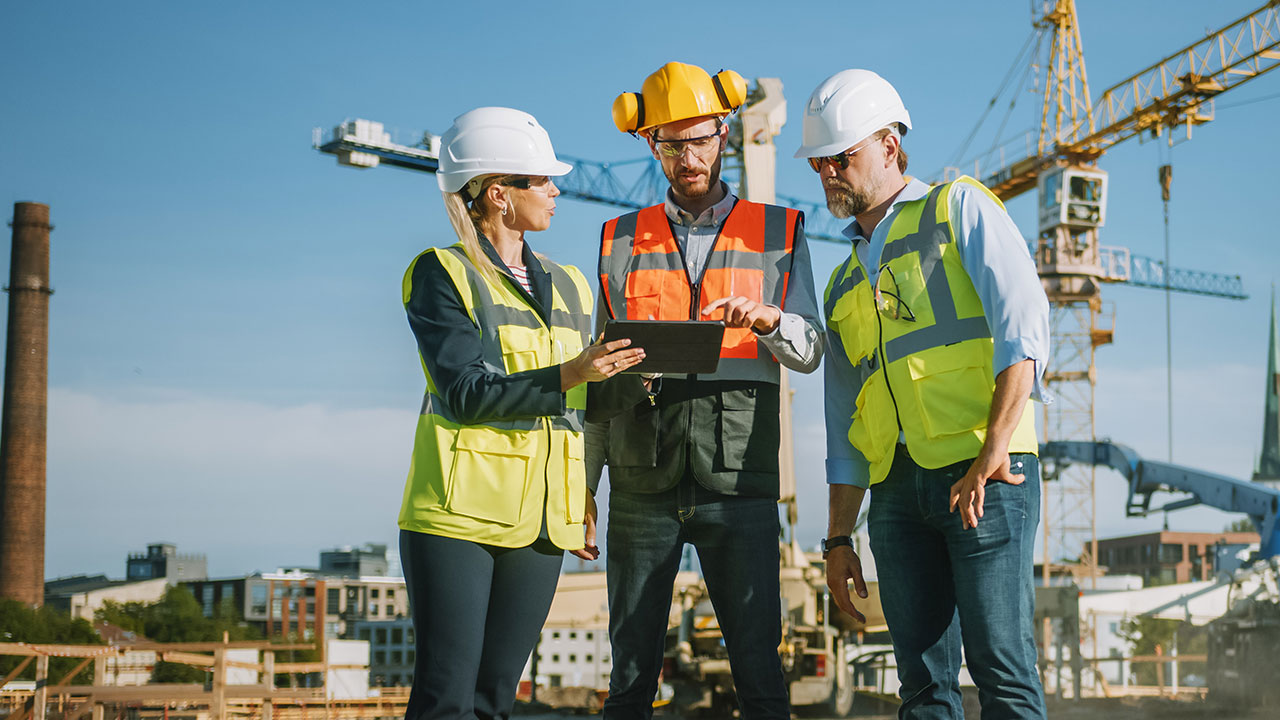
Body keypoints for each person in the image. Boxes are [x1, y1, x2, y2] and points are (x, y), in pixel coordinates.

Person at [799, 69, 1051, 718]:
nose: (829, 173)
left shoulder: (959, 209)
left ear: (889, 143)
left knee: (1002, 670)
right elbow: (845, 422)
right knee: (922, 686)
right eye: (820, 163)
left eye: (842, 157)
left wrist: (993, 451)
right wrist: (836, 539)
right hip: (897, 497)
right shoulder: (844, 280)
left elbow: (1023, 334)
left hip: (987, 478)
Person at [587, 61, 824, 720]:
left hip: (740, 477)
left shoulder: (781, 232)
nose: (687, 158)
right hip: (640, 479)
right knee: (630, 671)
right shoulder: (617, 240)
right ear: (650, 144)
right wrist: (583, 486)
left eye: (699, 140)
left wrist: (774, 322)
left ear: (724, 135)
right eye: (671, 143)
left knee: (758, 668)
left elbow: (809, 353)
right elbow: (599, 378)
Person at [398, 106, 644, 720]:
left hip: (544, 524)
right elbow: (465, 391)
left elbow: (579, 410)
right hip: (458, 519)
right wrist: (572, 373)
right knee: (445, 700)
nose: (558, 191)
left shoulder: (570, 286)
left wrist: (581, 494)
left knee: (495, 701)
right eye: (543, 181)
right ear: (501, 195)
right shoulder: (441, 273)